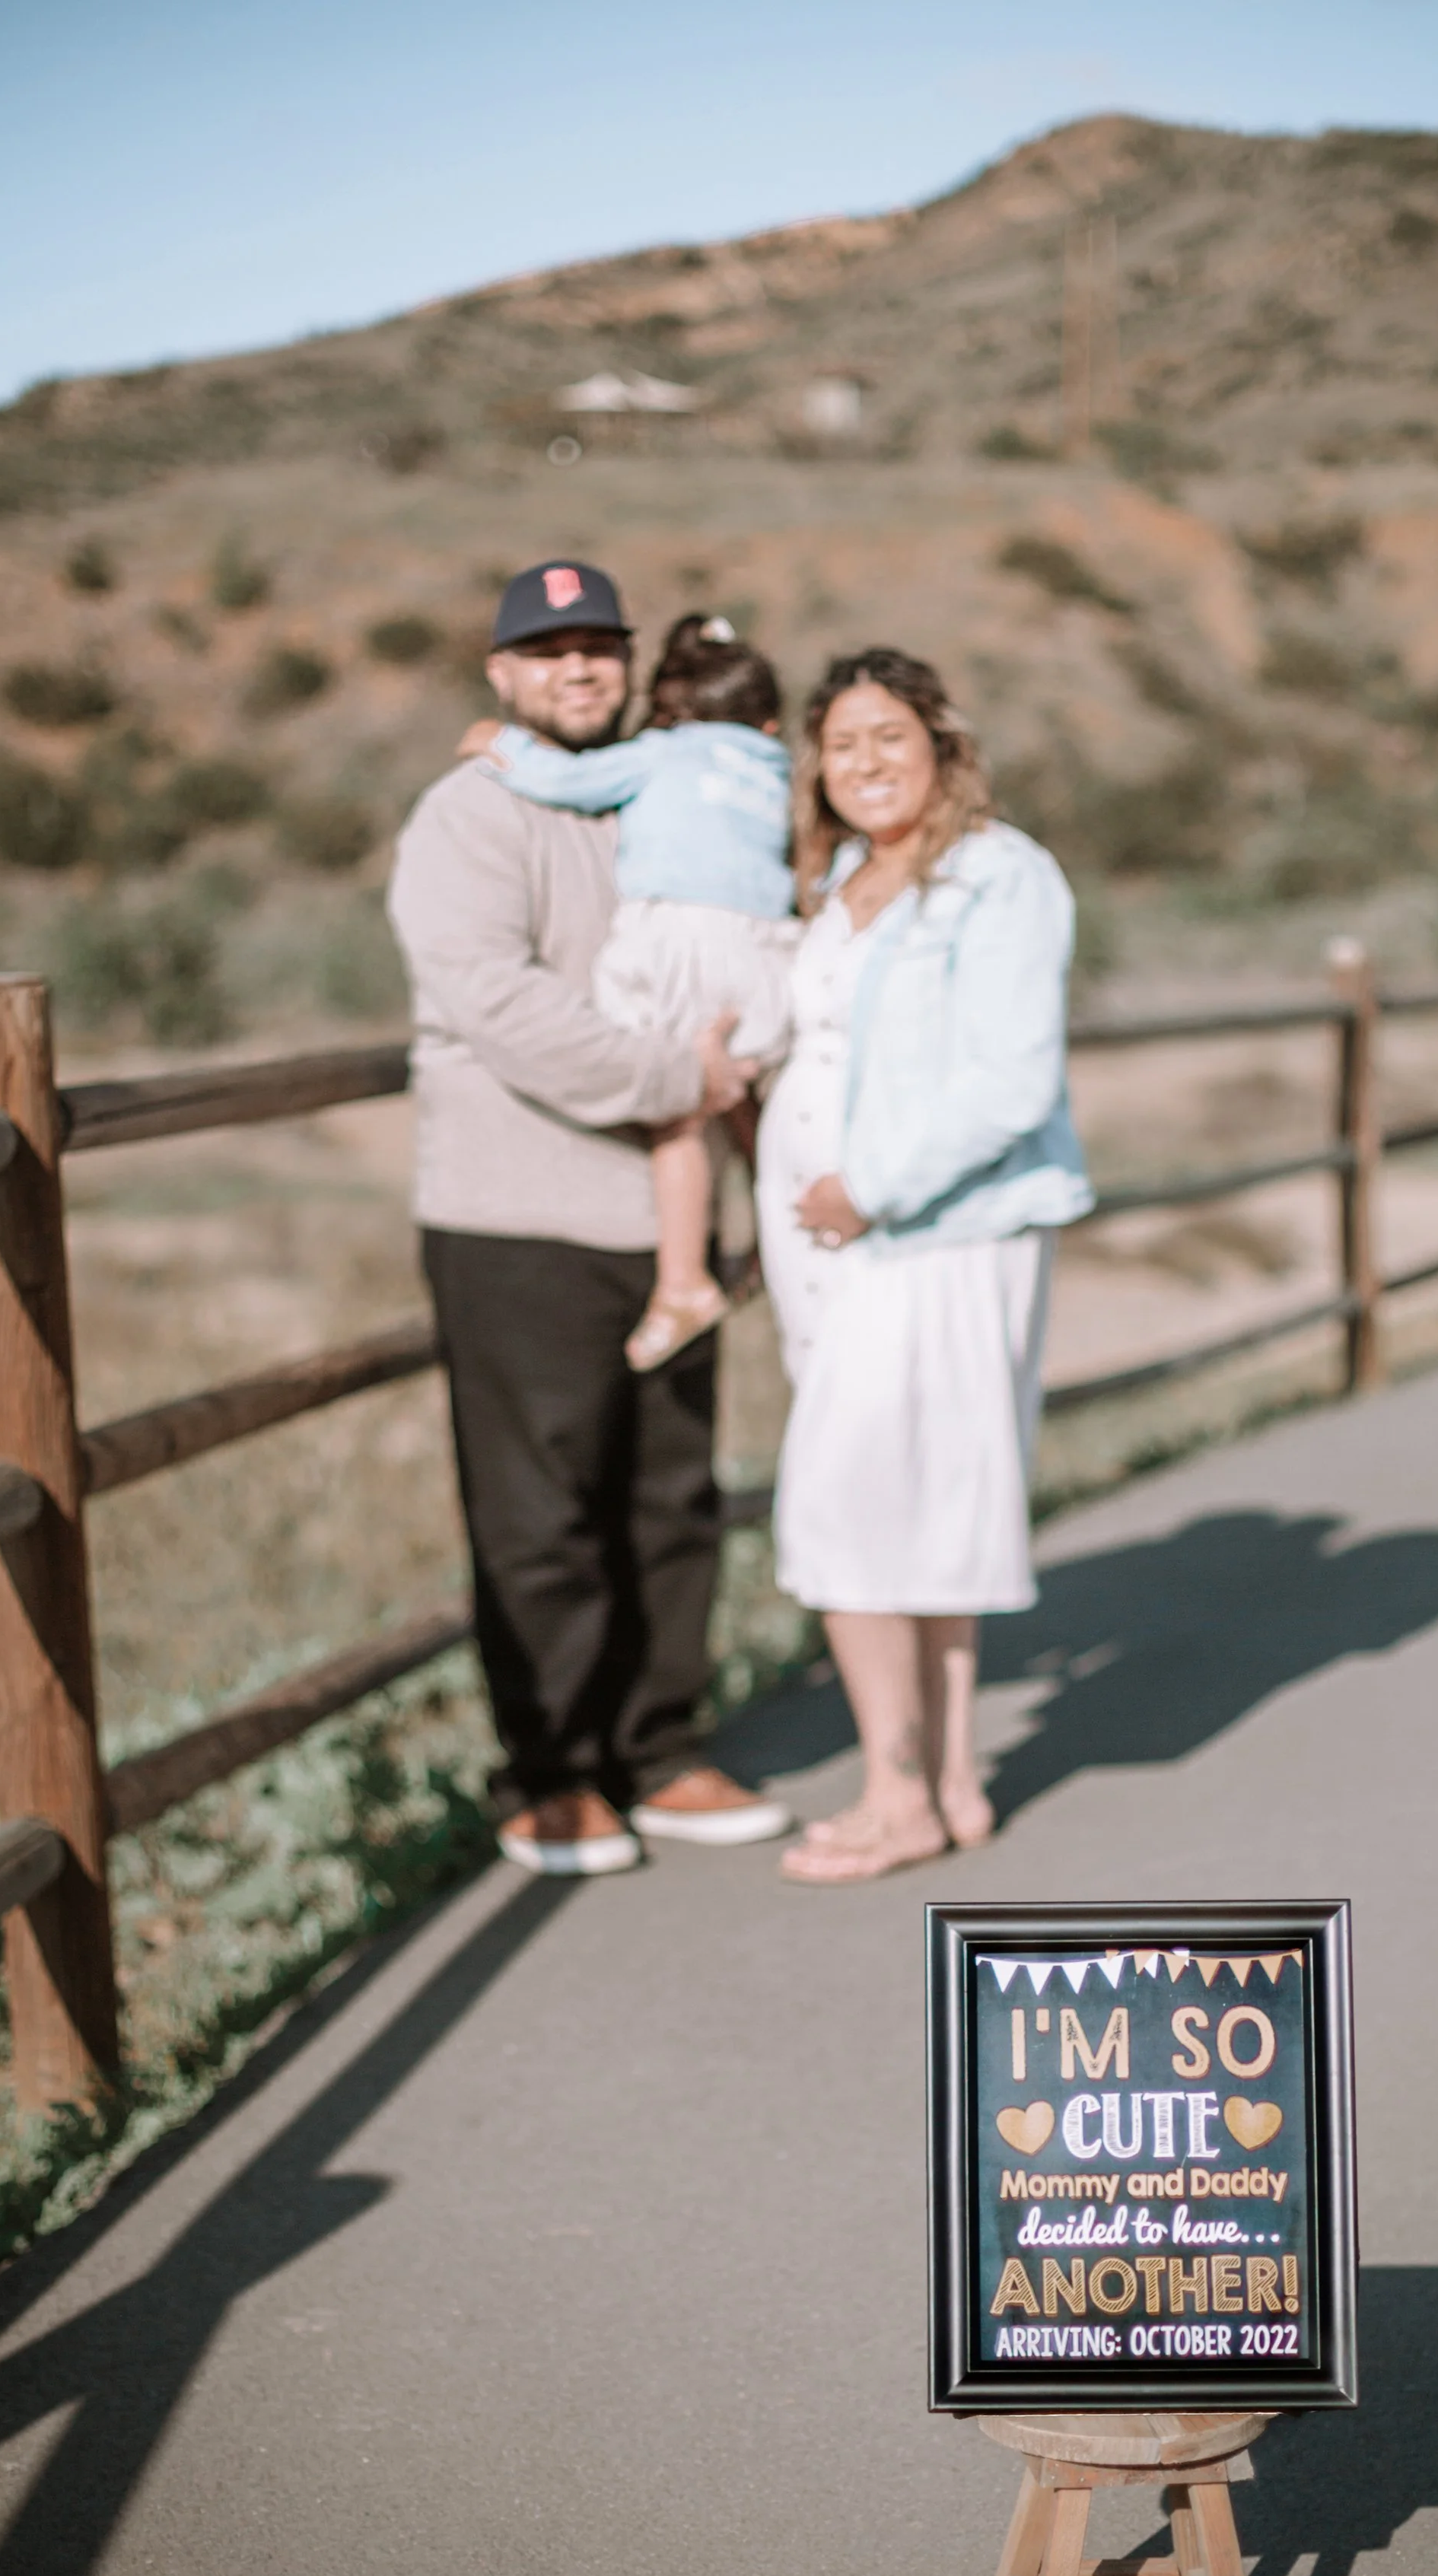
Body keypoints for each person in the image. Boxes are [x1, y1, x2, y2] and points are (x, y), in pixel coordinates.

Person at [387, 558, 792, 1876]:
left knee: (672, 1496)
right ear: (501, 673)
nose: (577, 668)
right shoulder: (469, 814)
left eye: (598, 646)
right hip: (520, 1216)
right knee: (541, 1505)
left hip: (663, 1222)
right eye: (546, 649)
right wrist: (681, 1079)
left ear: (631, 665)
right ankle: (552, 1773)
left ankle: (661, 1750)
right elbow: (493, 1000)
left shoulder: (662, 790)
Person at [757, 647, 1094, 1887]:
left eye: (889, 736)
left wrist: (871, 1185)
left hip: (932, 1234)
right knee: (920, 1503)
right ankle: (952, 1778)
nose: (866, 762)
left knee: (845, 1509)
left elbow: (1009, 1078)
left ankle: (892, 1793)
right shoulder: (847, 872)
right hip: (837, 1247)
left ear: (942, 744)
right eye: (842, 744)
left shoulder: (999, 875)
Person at [460, 612, 797, 1371]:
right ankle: (782, 1224)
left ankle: (682, 1283)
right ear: (768, 720)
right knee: (738, 1094)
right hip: (765, 950)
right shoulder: (775, 769)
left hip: (681, 941)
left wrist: (496, 740)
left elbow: (563, 779)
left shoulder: (660, 754)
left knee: (678, 1105)